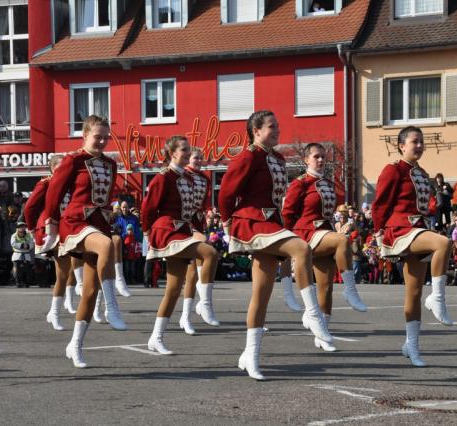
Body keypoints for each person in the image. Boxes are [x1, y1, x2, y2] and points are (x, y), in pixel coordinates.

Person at [218, 110, 330, 380]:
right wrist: (226, 222)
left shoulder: (278, 158)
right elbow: (226, 192)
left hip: (272, 223)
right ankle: (312, 314)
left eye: (278, 125)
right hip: (252, 221)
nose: (277, 130)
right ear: (256, 131)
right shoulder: (247, 157)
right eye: (271, 126)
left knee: (261, 292)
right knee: (301, 248)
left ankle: (250, 355)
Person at [42, 115, 126, 369]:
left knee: (89, 292)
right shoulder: (73, 160)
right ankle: (112, 306)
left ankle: (75, 345)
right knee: (107, 245)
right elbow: (54, 193)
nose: (102, 141)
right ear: (85, 135)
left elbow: (106, 197)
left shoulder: (110, 164)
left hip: (99, 224)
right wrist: (51, 224)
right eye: (97, 136)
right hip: (75, 222)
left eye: (105, 137)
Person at [372, 126, 454, 368]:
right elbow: (381, 202)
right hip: (400, 229)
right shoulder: (393, 169)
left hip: (419, 228)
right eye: (414, 141)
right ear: (401, 146)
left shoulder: (421, 172)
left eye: (421, 142)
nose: (419, 146)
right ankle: (437, 298)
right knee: (443, 242)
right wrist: (378, 231)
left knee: (414, 292)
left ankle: (412, 345)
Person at [282, 143, 367, 352]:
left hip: (325, 232)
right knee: (343, 241)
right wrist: (287, 241)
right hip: (307, 233)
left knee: (326, 287)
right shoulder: (300, 183)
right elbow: (288, 213)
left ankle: (323, 334)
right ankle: (350, 290)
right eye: (316, 157)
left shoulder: (328, 183)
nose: (321, 160)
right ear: (306, 160)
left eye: (323, 157)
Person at [141, 136, 219, 354]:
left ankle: (156, 337)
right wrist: (147, 233)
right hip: (167, 231)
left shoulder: (189, 179)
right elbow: (148, 208)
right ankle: (204, 304)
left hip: (182, 231)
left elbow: (191, 210)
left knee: (174, 289)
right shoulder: (163, 177)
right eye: (183, 149)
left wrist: (197, 226)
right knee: (210, 253)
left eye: (188, 149)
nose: (187, 153)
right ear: (172, 153)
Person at [25, 154, 78, 330]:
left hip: (69, 230)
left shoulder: (71, 185)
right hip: (52, 230)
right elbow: (29, 207)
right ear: (53, 168)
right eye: (60, 167)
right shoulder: (46, 183)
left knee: (72, 267)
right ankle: (54, 312)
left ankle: (70, 299)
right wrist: (32, 229)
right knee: (62, 273)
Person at [178, 147, 219, 335]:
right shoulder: (181, 175)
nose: (199, 161)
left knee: (193, 273)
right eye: (196, 158)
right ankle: (203, 304)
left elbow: (204, 203)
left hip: (198, 223)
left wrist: (208, 212)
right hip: (183, 224)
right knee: (198, 264)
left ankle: (189, 314)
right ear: (187, 159)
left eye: (201, 158)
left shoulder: (205, 179)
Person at [10, 221, 34, 287]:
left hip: (26, 254)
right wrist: (22, 245)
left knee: (27, 270)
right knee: (17, 270)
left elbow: (32, 244)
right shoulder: (14, 235)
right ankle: (18, 282)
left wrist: (28, 246)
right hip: (17, 255)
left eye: (23, 227)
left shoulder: (29, 235)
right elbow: (13, 244)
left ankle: (26, 282)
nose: (22, 228)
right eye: (20, 227)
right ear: (17, 228)